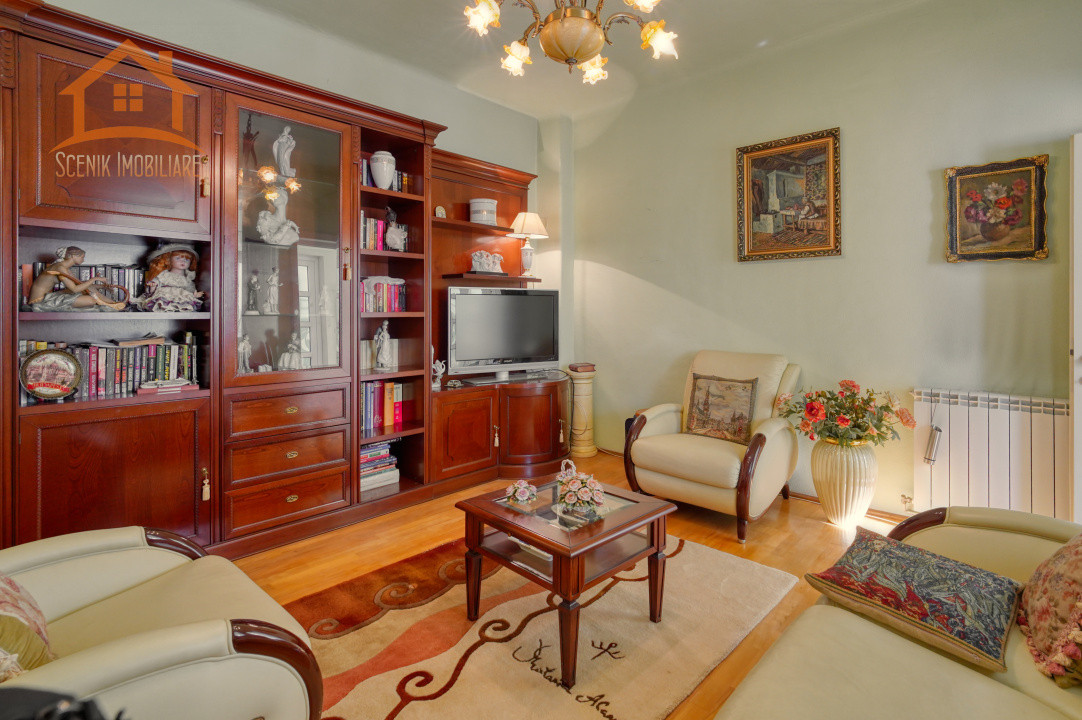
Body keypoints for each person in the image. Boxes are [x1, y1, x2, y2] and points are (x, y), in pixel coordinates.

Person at [28, 246, 125, 311]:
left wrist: (103, 287)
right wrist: (94, 278)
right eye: (82, 257)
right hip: (40, 301)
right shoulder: (60, 268)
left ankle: (114, 304)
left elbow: (80, 284)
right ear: (73, 256)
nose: (83, 260)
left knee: (90, 290)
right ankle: (114, 305)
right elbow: (75, 289)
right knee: (91, 300)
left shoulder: (63, 267)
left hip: (48, 297)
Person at [135, 245, 205, 312]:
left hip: (181, 297)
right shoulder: (164, 275)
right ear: (169, 260)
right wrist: (153, 287)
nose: (183, 261)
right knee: (162, 302)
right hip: (165, 295)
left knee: (185, 304)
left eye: (187, 259)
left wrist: (194, 295)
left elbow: (189, 288)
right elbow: (154, 288)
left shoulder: (188, 277)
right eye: (178, 258)